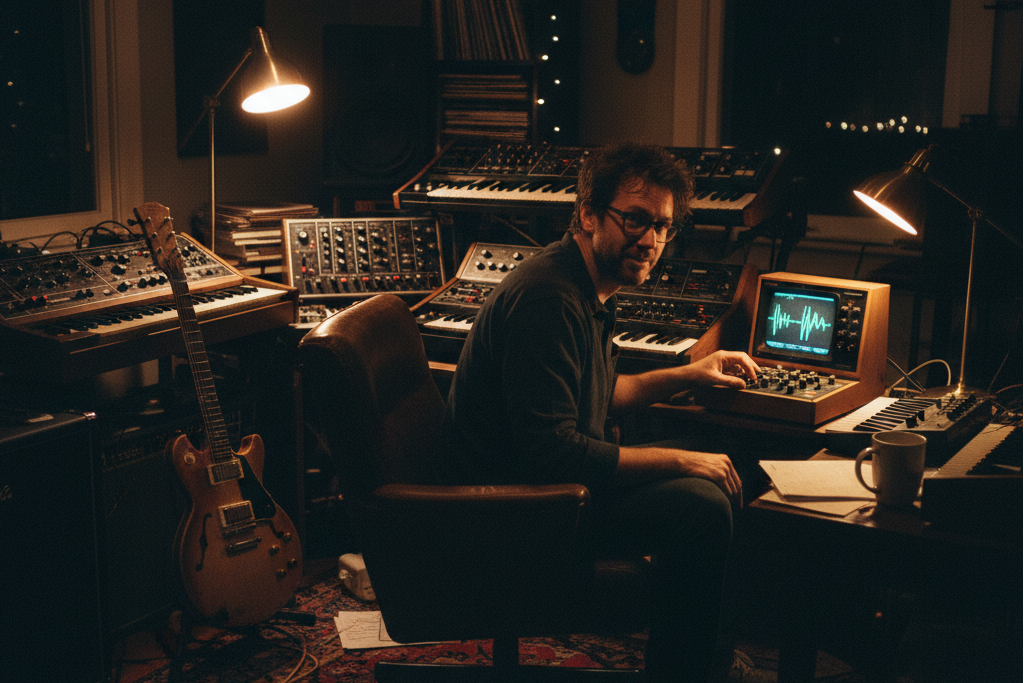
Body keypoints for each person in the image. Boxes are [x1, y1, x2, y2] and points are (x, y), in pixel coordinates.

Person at [440, 141, 772, 682]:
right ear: (589, 214)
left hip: (538, 487)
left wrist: (690, 373)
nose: (652, 241)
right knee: (702, 505)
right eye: (636, 220)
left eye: (664, 226)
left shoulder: (584, 281)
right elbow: (554, 454)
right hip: (510, 510)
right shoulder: (551, 299)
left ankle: (705, 659)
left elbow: (599, 394)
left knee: (731, 469)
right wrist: (683, 463)